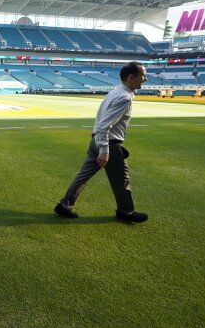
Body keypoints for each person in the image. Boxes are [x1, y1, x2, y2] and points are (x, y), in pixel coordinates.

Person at [54, 61, 149, 223]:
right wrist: (105, 150)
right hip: (108, 144)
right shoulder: (124, 98)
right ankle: (125, 212)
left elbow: (101, 122)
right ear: (131, 77)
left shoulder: (115, 92)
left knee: (83, 176)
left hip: (96, 141)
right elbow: (105, 125)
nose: (145, 79)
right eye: (143, 76)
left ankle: (64, 205)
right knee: (122, 179)